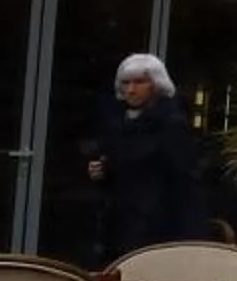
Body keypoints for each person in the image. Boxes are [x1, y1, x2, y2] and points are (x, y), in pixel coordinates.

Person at [85, 53, 208, 254]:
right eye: (126, 83)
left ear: (155, 85)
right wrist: (101, 172)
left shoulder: (171, 124)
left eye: (139, 82)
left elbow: (185, 179)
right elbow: (114, 164)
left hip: (159, 225)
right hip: (120, 221)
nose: (131, 90)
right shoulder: (116, 122)